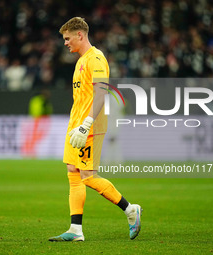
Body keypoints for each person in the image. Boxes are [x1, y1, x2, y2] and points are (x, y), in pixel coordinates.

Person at [49, 17, 142, 242]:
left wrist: (86, 124)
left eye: (67, 38)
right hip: (76, 125)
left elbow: (101, 94)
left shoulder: (96, 58)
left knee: (88, 176)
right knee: (73, 171)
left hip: (88, 126)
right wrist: (77, 125)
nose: (65, 43)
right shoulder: (81, 61)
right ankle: (75, 229)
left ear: (80, 35)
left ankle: (131, 210)